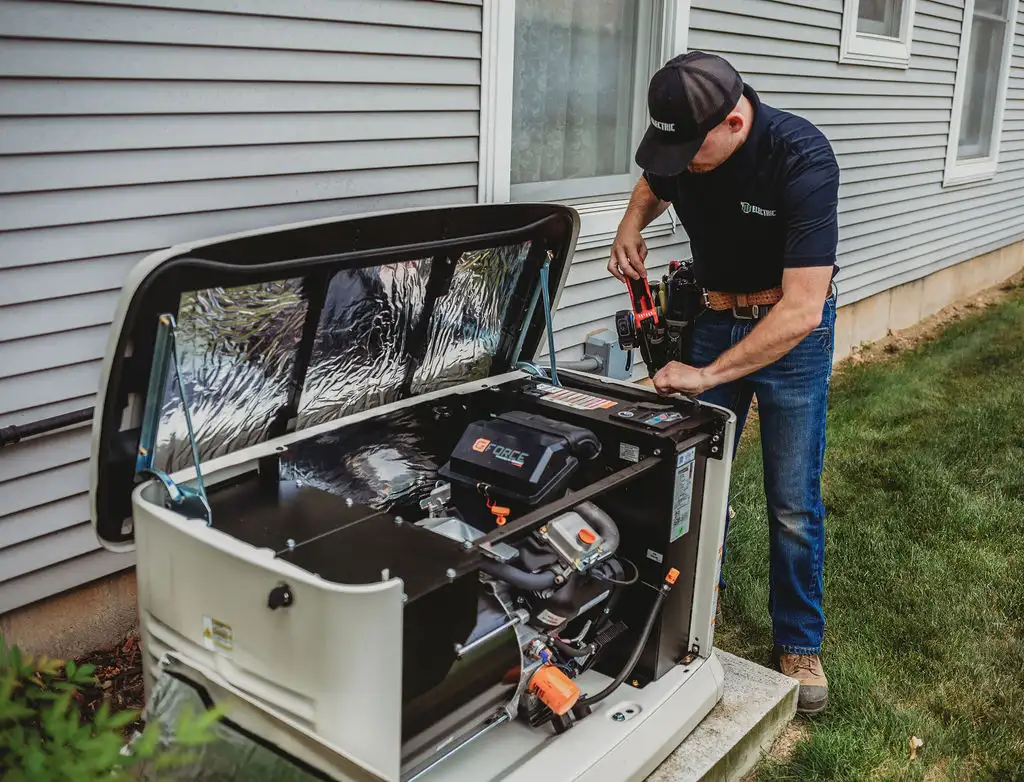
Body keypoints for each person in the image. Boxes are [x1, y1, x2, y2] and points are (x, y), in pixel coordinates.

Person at [608, 51, 839, 715]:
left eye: (689, 153)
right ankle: (689, 609)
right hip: (713, 315)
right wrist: (630, 225)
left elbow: (803, 309)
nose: (679, 166)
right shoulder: (686, 139)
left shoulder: (801, 158)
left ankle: (799, 640)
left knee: (792, 499)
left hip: (792, 332)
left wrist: (707, 374)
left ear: (735, 122)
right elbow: (654, 181)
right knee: (695, 482)